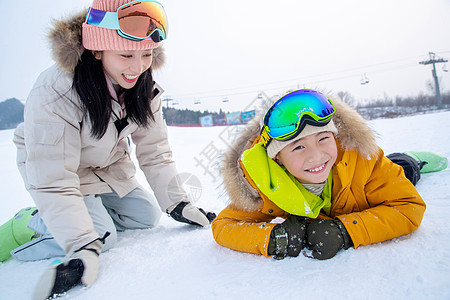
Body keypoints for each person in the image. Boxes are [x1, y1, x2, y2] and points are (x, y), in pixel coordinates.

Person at [0, 0, 215, 298]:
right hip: (55, 167)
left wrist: (178, 203)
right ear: (97, 50)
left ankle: (85, 214)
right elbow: (53, 176)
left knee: (145, 216)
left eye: (147, 55)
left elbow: (155, 150)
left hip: (105, 165)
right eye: (126, 54)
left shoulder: (143, 87)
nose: (137, 67)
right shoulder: (55, 90)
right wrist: (81, 243)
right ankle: (32, 222)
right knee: (103, 238)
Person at [212, 89, 447, 260]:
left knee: (404, 169)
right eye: (298, 147)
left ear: (335, 137)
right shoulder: (267, 183)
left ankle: (411, 160)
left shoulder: (364, 160)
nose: (316, 156)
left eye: (323, 138)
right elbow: (223, 226)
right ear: (277, 160)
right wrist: (274, 238)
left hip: (385, 173)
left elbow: (408, 207)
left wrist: (346, 230)